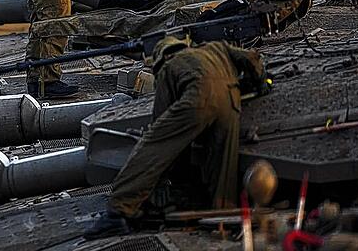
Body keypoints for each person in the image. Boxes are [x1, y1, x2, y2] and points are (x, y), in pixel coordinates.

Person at [85, 37, 267, 239]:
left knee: (153, 147)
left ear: (161, 56)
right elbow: (251, 57)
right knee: (223, 162)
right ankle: (223, 213)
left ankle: (120, 209)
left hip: (197, 99)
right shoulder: (214, 47)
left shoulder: (168, 67)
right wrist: (259, 82)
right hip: (231, 100)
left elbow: (162, 130)